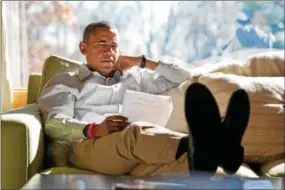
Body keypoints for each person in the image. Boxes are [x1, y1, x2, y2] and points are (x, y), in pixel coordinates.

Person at [38, 21, 250, 177]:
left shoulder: (134, 78)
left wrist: (141, 61)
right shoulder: (67, 81)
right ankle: (220, 145)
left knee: (183, 166)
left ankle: (215, 153)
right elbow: (54, 123)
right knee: (135, 133)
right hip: (87, 147)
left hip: (134, 153)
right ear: (83, 48)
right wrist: (93, 129)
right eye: (101, 43)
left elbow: (185, 77)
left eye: (114, 46)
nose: (109, 51)